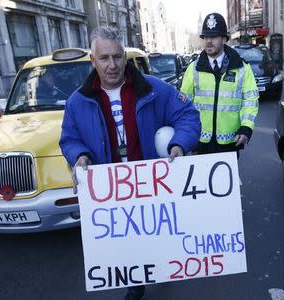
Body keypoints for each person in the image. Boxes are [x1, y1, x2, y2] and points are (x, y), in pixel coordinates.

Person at [59, 26, 200, 300]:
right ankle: (135, 283)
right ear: (93, 60)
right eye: (104, 58)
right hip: (113, 192)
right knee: (126, 241)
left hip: (153, 184)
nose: (112, 65)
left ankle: (164, 264)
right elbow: (69, 139)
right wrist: (80, 157)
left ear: (125, 57)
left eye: (118, 56)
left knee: (157, 232)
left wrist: (179, 144)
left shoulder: (154, 89)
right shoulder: (77, 102)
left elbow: (188, 116)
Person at [180, 12, 259, 158]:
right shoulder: (193, 68)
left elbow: (250, 100)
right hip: (199, 142)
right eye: (206, 37)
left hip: (230, 143)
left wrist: (246, 127)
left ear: (224, 39)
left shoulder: (242, 68)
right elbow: (183, 104)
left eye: (214, 36)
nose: (208, 41)